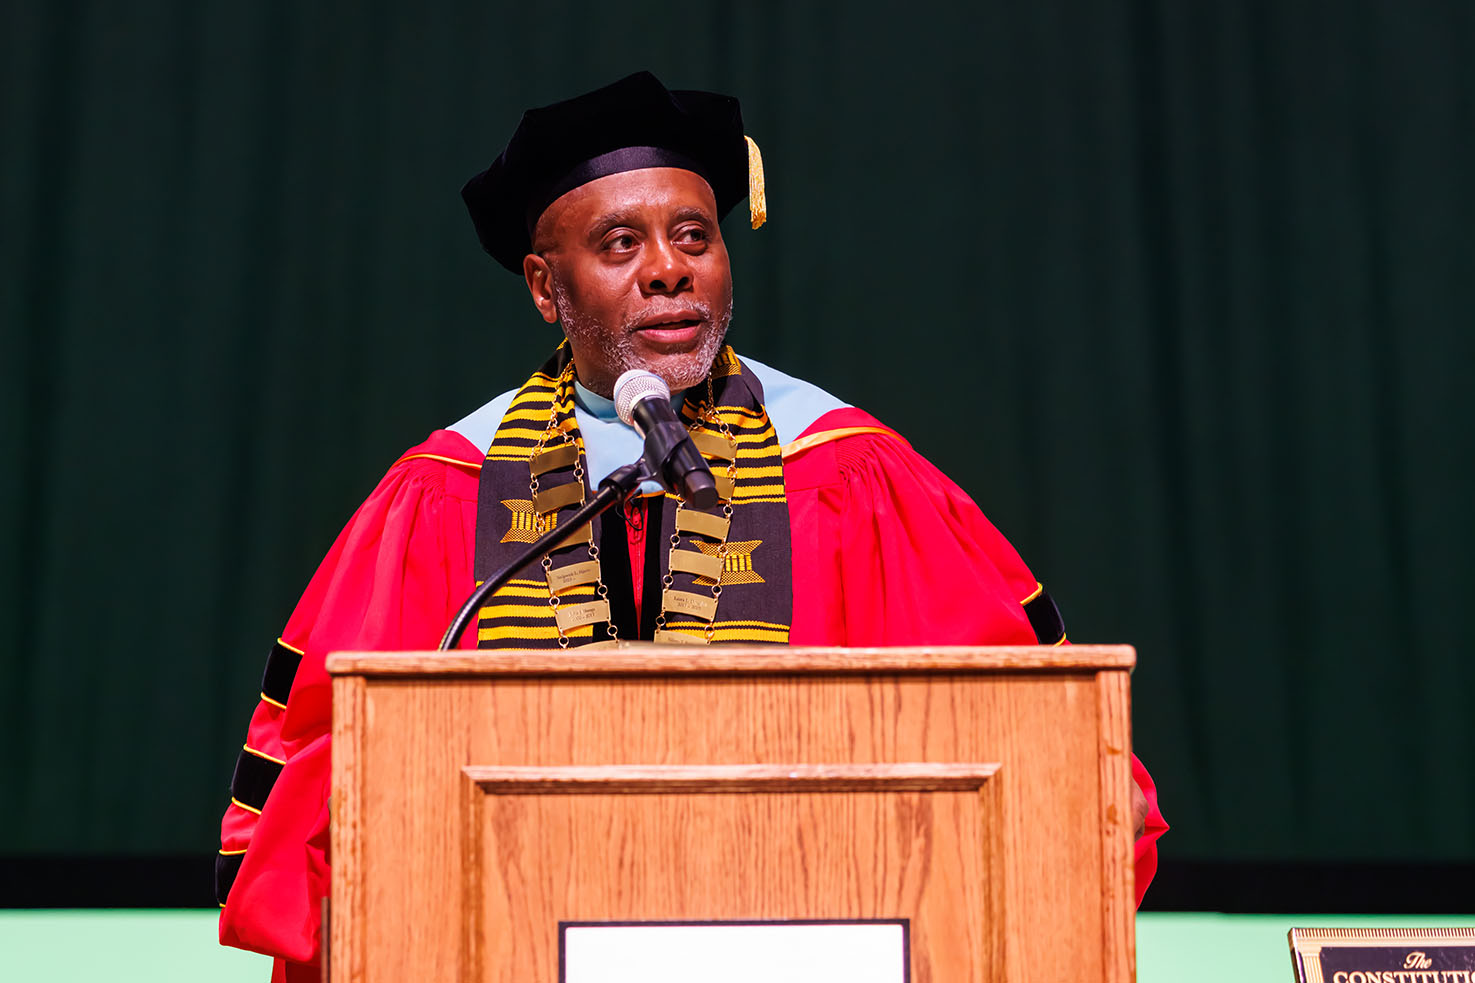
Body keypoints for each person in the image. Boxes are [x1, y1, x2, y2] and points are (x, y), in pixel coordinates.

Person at [216, 71, 1168, 981]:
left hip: (810, 929)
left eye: (693, 236)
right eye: (620, 243)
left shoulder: (846, 470)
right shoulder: (445, 491)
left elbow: (1018, 727)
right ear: (548, 289)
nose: (668, 270)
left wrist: (1082, 788)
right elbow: (321, 784)